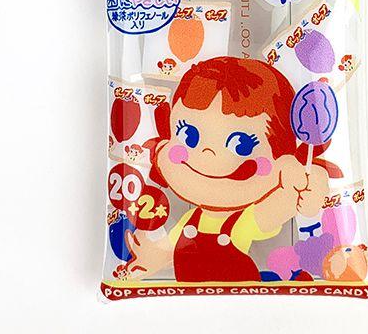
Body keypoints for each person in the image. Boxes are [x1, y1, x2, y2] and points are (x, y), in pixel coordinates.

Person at [124, 56, 334, 282]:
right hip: (187, 298)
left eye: (241, 145)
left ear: (280, 161)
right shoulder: (190, 220)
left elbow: (284, 203)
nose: (207, 154)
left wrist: (306, 183)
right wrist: (150, 257)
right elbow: (167, 251)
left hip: (242, 296)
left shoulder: (245, 221)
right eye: (188, 135)